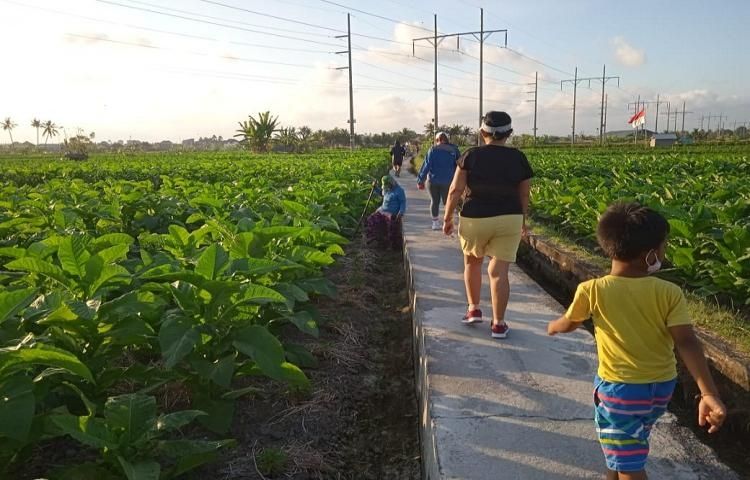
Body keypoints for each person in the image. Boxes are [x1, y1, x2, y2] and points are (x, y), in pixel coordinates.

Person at [547, 202, 727, 480]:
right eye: (664, 247)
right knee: (622, 447)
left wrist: (554, 326)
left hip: (620, 391)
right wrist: (709, 393)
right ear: (650, 255)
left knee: (629, 463)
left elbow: (570, 322)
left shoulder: (593, 290)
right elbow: (687, 342)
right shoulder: (669, 292)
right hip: (660, 388)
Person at [442, 111, 532, 339]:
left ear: (482, 133)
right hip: (509, 217)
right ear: (509, 134)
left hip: (476, 217)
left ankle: (473, 309)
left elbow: (455, 190)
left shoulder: (470, 156)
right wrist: (522, 221)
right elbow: (524, 194)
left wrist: (447, 218)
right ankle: (499, 324)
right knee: (499, 271)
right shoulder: (519, 158)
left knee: (472, 263)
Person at [417, 131, 460, 230]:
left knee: (434, 201)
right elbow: (459, 165)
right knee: (448, 202)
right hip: (448, 182)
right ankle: (448, 222)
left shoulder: (432, 150)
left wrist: (420, 181)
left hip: (433, 181)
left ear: (438, 140)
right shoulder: (454, 150)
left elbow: (426, 166)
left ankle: (435, 223)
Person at [365, 175, 406, 249]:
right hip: (382, 210)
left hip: (391, 213)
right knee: (371, 219)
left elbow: (402, 203)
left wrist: (400, 212)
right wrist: (375, 188)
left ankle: (391, 245)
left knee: (391, 227)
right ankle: (375, 239)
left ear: (391, 183)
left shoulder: (399, 191)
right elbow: (381, 193)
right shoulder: (387, 189)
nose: (386, 187)